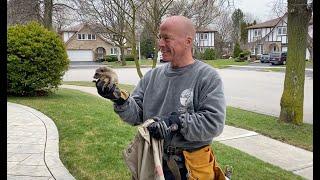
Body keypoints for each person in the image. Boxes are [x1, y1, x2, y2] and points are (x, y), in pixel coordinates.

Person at [95, 15, 226, 179]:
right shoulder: (152, 76)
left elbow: (214, 123)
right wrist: (119, 98)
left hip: (189, 168)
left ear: (188, 41)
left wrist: (175, 122)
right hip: (151, 161)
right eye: (160, 38)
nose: (160, 44)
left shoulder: (207, 77)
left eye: (167, 38)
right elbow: (136, 115)